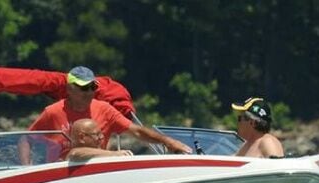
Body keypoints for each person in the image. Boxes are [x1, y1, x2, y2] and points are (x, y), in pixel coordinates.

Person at [19, 66, 191, 163]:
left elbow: (136, 131)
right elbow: (26, 139)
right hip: (61, 175)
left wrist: (168, 141)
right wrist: (26, 169)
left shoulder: (104, 109)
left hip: (98, 170)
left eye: (93, 87)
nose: (89, 92)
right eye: (84, 88)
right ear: (69, 89)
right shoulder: (53, 112)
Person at [66, 118, 134, 160]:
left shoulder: (100, 155)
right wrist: (114, 154)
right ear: (81, 138)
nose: (101, 137)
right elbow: (75, 153)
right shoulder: (74, 156)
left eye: (101, 134)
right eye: (97, 135)